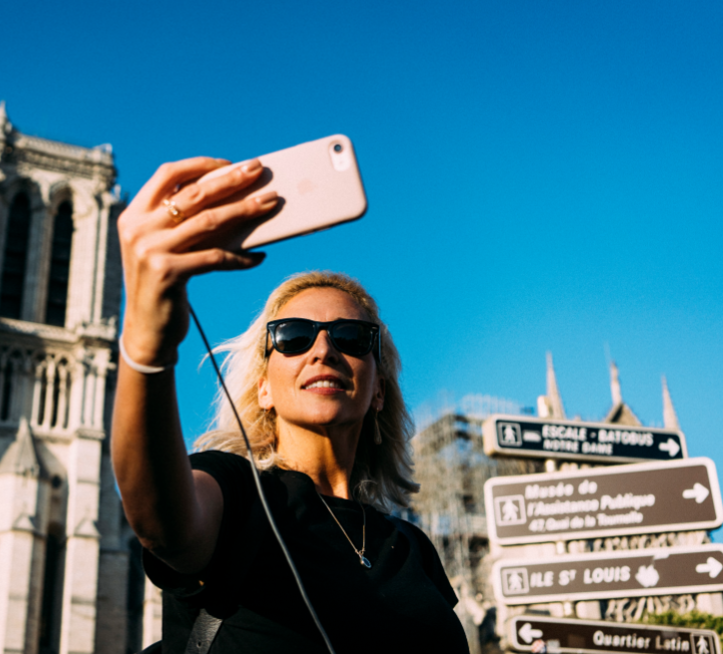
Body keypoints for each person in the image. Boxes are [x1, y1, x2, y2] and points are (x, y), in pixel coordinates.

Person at [112, 156, 469, 653]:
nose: (323, 350)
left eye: (351, 337)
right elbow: (161, 521)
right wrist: (148, 348)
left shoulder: (412, 548)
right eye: (294, 337)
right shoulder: (235, 493)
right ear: (263, 388)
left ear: (379, 389)